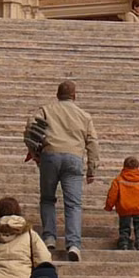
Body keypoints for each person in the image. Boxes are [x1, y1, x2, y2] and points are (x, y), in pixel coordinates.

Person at [31, 79, 99, 261]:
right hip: (74, 158)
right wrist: (91, 169)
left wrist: (35, 153)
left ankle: (49, 238)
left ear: (57, 95)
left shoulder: (45, 110)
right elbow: (93, 143)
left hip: (50, 155)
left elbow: (31, 130)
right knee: (73, 204)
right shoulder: (84, 116)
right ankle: (74, 244)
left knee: (47, 199)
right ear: (74, 96)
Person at [105, 154, 139, 250]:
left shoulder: (118, 180)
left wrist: (109, 206)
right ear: (137, 167)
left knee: (124, 226)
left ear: (124, 166)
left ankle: (124, 243)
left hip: (124, 207)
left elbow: (112, 194)